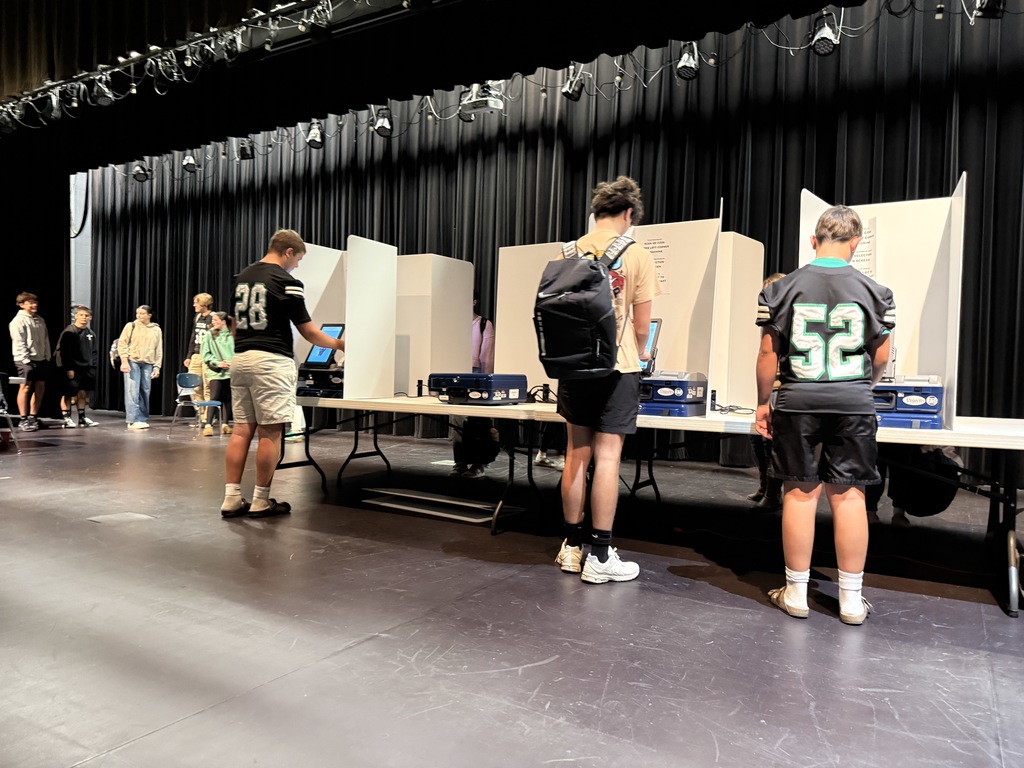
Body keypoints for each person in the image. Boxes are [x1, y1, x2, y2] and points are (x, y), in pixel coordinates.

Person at [755, 205, 895, 625]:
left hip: (797, 401)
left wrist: (764, 402)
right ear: (855, 243)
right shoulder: (878, 291)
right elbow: (882, 356)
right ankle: (851, 600)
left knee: (799, 492)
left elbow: (767, 353)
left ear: (813, 242)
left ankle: (796, 592)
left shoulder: (781, 290)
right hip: (852, 402)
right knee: (850, 495)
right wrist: (861, 389)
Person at [555, 176, 660, 584]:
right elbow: (641, 326)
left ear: (596, 211)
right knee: (609, 457)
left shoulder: (566, 250)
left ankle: (570, 547)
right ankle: (600, 554)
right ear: (629, 214)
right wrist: (644, 351)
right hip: (618, 368)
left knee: (576, 454)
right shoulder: (638, 255)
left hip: (574, 366)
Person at [221, 229, 345, 519]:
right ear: (288, 251)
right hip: (271, 362)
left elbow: (234, 325)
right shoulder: (287, 282)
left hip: (241, 359)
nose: (297, 265)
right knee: (270, 432)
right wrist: (341, 344)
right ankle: (261, 500)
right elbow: (310, 332)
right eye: (298, 259)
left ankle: (231, 498)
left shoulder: (242, 277)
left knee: (241, 430)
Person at [747, 272, 787, 509]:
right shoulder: (771, 321)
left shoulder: (787, 320)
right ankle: (764, 487)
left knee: (771, 442)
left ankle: (773, 495)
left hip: (783, 389)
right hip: (770, 388)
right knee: (757, 438)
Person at [451, 291, 497, 479]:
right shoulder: (452, 323)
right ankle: (460, 462)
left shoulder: (484, 324)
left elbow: (487, 355)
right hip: (456, 374)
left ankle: (479, 463)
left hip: (477, 375)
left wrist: (487, 381)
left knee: (479, 420)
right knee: (456, 419)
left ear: (474, 301)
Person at [9, 292, 52, 432]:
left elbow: (45, 339)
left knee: (40, 387)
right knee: (25, 387)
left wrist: (47, 356)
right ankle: (23, 419)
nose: (34, 305)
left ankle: (33, 416)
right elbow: (19, 341)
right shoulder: (18, 321)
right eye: (30, 303)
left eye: (35, 302)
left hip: (41, 358)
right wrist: (25, 359)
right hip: (25, 360)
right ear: (22, 305)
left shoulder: (40, 320)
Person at [117, 305, 163, 430]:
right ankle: (132, 420)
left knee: (145, 391)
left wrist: (157, 367)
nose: (139, 316)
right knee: (132, 390)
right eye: (138, 313)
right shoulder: (131, 326)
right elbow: (122, 344)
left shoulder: (156, 329)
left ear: (149, 315)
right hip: (133, 361)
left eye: (142, 313)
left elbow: (158, 349)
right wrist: (124, 361)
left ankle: (142, 419)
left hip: (148, 363)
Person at [54, 305, 99, 428]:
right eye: (81, 315)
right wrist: (69, 368)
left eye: (86, 316)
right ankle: (66, 418)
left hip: (87, 368)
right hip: (73, 368)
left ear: (90, 318)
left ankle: (82, 418)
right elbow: (64, 352)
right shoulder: (69, 331)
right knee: (68, 393)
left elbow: (94, 351)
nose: (84, 318)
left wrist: (92, 366)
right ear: (76, 316)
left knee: (83, 393)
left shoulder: (90, 333)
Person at [200, 311, 234, 437]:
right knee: (214, 396)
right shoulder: (210, 335)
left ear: (223, 321)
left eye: (215, 320)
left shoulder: (232, 335)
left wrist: (232, 362)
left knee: (228, 398)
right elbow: (206, 354)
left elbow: (237, 351)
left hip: (231, 370)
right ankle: (208, 424)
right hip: (216, 371)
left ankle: (225, 424)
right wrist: (218, 363)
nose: (213, 322)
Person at [183, 293, 215, 423]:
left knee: (208, 387)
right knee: (194, 386)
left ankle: (209, 417)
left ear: (204, 304)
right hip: (196, 355)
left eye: (196, 303)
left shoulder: (213, 318)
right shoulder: (197, 317)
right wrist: (189, 356)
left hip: (208, 356)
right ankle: (201, 415)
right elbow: (193, 337)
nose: (194, 305)